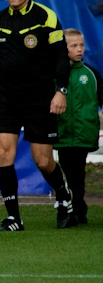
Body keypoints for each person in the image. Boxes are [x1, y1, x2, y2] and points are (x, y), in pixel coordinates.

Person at [0, 0, 73, 231]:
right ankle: (14, 218)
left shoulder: (46, 17)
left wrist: (60, 90)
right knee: (2, 151)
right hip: (6, 97)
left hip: (40, 97)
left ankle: (64, 197)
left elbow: (61, 57)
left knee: (42, 159)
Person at [55, 28, 103, 224]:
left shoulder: (91, 74)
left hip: (84, 132)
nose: (79, 49)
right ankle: (73, 206)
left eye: (81, 45)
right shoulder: (55, 74)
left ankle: (78, 210)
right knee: (66, 169)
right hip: (63, 131)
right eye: (73, 46)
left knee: (77, 170)